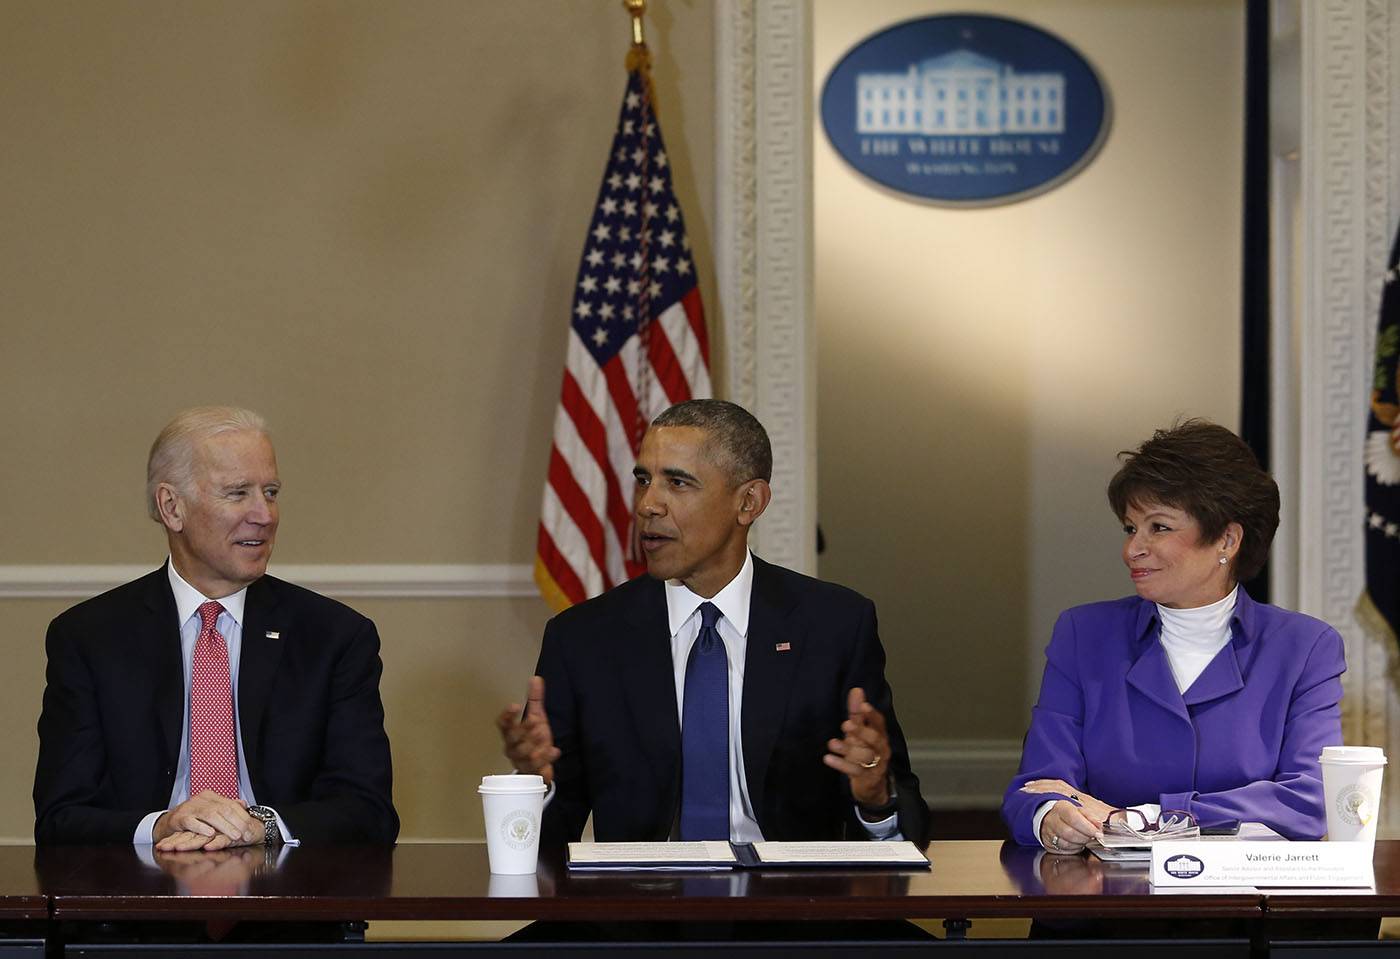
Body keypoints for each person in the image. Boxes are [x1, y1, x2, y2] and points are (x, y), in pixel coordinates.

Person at [498, 399, 929, 849]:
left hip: (791, 907)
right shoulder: (583, 639)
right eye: (644, 480)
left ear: (749, 502)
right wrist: (535, 790)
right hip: (641, 907)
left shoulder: (834, 626)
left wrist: (875, 799)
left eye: (678, 483)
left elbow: (910, 825)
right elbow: (541, 850)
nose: (648, 505)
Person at [34, 406, 399, 849]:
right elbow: (61, 818)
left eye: (271, 491)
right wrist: (161, 826)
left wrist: (258, 826)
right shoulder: (90, 638)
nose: (264, 515)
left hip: (287, 903)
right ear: (172, 507)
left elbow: (369, 811)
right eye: (237, 493)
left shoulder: (334, 638)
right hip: (140, 903)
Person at [1002, 419, 1344, 853]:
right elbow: (1035, 789)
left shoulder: (1304, 648)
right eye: (1130, 528)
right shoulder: (1083, 634)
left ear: (1227, 539)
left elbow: (1308, 803)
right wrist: (1052, 816)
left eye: (1158, 527)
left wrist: (1141, 820)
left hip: (1240, 912)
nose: (1132, 549)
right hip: (1102, 908)